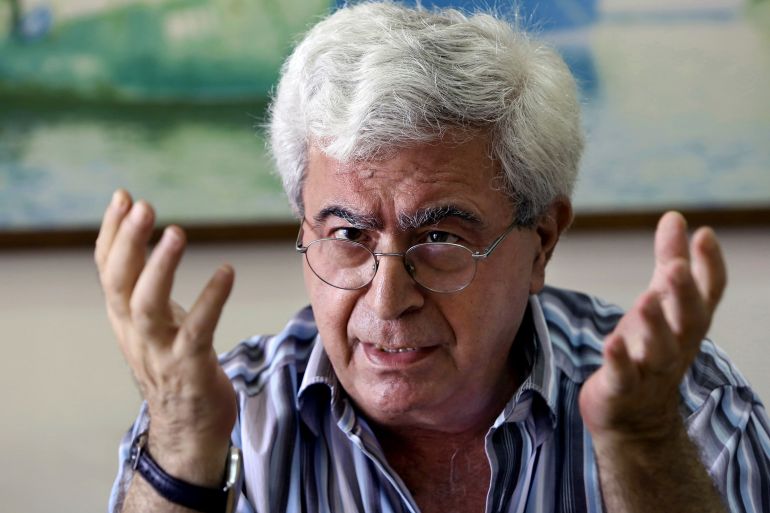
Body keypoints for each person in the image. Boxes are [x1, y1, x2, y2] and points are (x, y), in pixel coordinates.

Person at [98, 2, 770, 512]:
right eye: (348, 235)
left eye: (441, 238)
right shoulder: (218, 412)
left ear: (541, 242)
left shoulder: (678, 403)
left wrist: (642, 446)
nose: (388, 298)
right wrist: (182, 450)